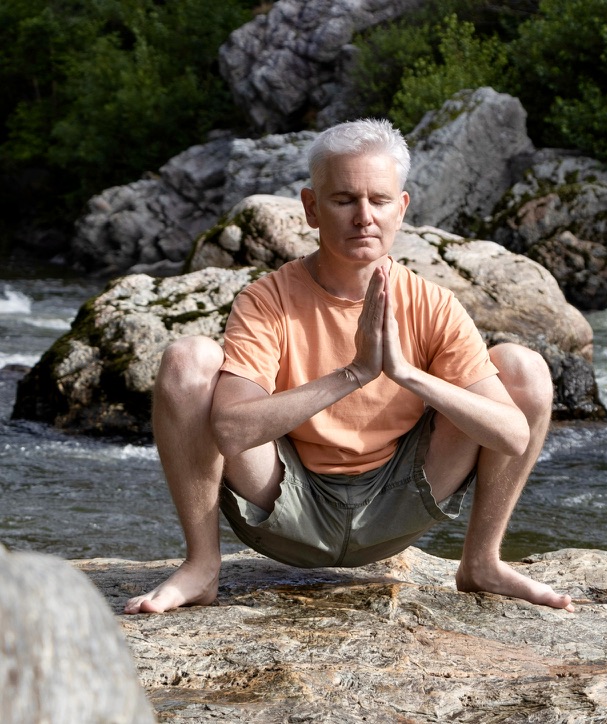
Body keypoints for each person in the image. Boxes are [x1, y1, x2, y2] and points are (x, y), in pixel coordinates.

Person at [124, 118, 573, 614]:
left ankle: (483, 562)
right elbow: (231, 432)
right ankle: (202, 566)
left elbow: (513, 434)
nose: (364, 217)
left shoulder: (433, 304)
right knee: (189, 359)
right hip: (284, 505)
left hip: (400, 504)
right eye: (343, 200)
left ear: (401, 209)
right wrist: (355, 372)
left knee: (523, 368)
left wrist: (406, 373)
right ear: (311, 208)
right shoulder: (268, 299)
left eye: (379, 200)